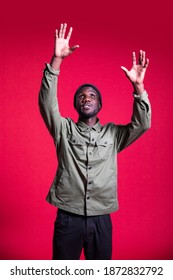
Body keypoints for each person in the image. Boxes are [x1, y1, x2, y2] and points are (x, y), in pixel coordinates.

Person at [39, 23, 151, 260]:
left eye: (92, 96)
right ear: (77, 105)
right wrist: (56, 61)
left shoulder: (113, 134)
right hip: (68, 217)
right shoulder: (64, 129)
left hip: (102, 218)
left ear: (99, 105)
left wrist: (138, 87)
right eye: (81, 95)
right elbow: (47, 103)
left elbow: (142, 124)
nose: (86, 98)